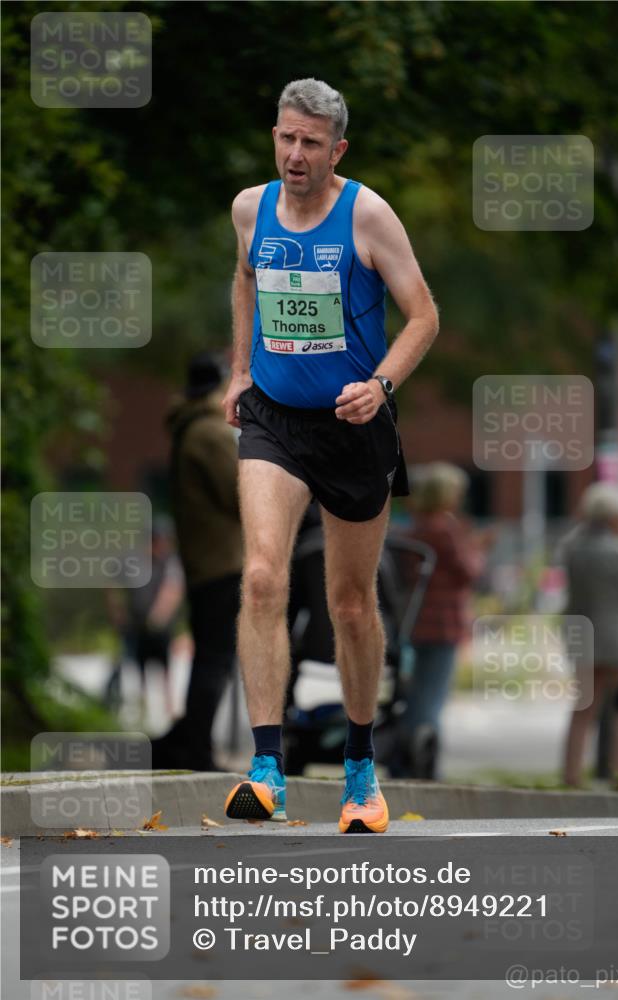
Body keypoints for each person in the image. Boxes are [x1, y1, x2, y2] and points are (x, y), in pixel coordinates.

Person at [222, 78, 438, 833]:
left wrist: (380, 385)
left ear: (336, 149)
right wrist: (241, 370)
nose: (294, 154)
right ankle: (265, 768)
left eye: (311, 142)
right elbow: (246, 278)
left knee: (349, 605)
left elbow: (423, 314)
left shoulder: (367, 215)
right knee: (259, 576)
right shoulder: (250, 208)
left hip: (353, 427)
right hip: (274, 420)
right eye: (285, 137)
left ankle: (357, 767)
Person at [150, 352, 243, 771]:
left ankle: (189, 742)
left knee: (210, 655)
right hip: (222, 562)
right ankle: (197, 751)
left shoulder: (189, 427)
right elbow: (242, 495)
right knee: (215, 658)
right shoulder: (209, 432)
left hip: (204, 561)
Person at [402, 463, 493, 778]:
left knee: (415, 692)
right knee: (432, 697)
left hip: (415, 623)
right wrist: (478, 550)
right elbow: (469, 572)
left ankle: (406, 757)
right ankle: (422, 763)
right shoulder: (446, 529)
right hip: (444, 624)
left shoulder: (413, 528)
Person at [559, 483, 618, 787]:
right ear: (614, 516)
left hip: (580, 633)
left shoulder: (572, 548)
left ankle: (571, 775)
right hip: (615, 634)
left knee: (582, 710)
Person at [106, 517, 184, 722]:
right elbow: (112, 581)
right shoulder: (134, 561)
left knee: (166, 667)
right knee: (138, 667)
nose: (163, 545)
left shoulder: (169, 562)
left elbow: (172, 590)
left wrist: (158, 617)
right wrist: (118, 612)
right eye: (160, 540)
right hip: (136, 625)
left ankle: (170, 710)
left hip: (160, 628)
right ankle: (143, 710)